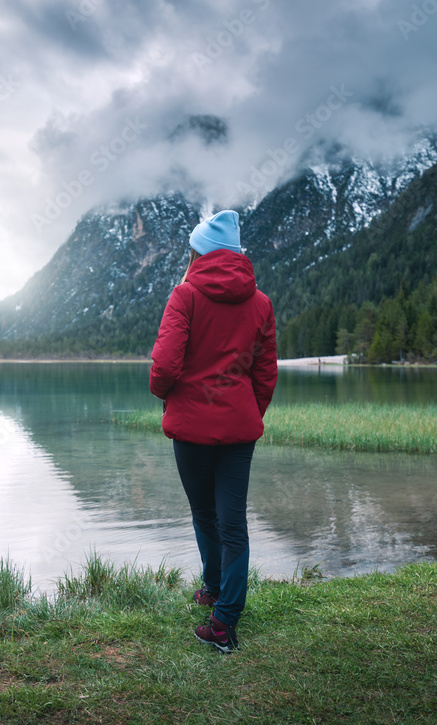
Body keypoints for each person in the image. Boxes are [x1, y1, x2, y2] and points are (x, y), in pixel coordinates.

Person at [149, 209, 277, 653]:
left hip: (192, 428)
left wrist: (163, 393)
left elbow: (164, 366)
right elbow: (265, 375)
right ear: (236, 253)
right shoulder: (260, 302)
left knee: (204, 514)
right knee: (233, 522)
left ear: (198, 251)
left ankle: (219, 607)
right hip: (239, 432)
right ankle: (221, 605)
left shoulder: (184, 296)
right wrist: (245, 412)